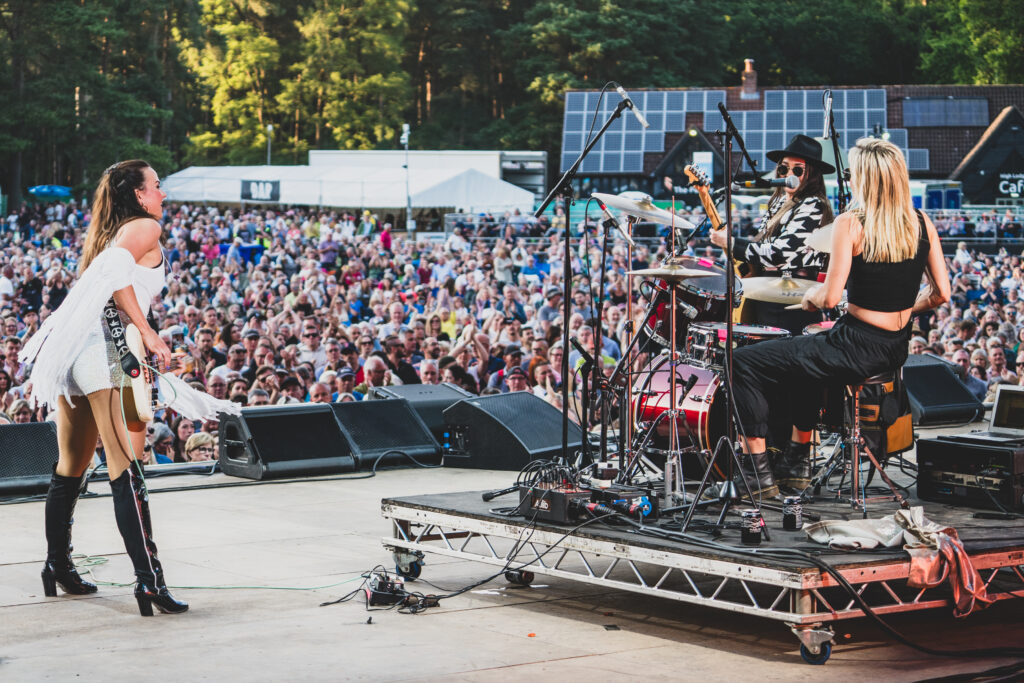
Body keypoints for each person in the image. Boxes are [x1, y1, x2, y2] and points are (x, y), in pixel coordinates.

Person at [21, 160, 237, 617]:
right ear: (139, 195)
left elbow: (114, 285)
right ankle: (149, 583)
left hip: (77, 353)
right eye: (157, 186)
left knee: (72, 465)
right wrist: (150, 333)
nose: (163, 192)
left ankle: (57, 565)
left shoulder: (106, 232)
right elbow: (119, 276)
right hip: (102, 355)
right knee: (126, 468)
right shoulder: (145, 227)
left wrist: (145, 334)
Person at [730, 138, 950, 498]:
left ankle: (757, 475)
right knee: (804, 357)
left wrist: (811, 296)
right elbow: (941, 294)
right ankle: (797, 463)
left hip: (855, 346)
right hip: (894, 350)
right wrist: (904, 310)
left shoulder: (852, 223)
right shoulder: (922, 223)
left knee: (740, 361)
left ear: (864, 178)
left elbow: (829, 297)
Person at [710, 134, 835, 335]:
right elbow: (764, 246)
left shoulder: (813, 205)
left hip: (793, 303)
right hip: (767, 295)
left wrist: (732, 242)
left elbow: (779, 253)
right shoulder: (778, 202)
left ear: (811, 174)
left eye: (797, 170)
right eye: (784, 168)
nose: (788, 174)